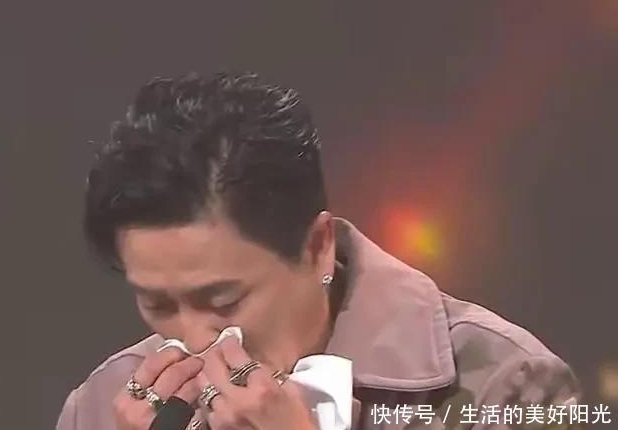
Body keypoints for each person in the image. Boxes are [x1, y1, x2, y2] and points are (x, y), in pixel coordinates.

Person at [56, 72, 582, 429]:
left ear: (317, 248)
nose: (194, 341)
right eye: (158, 304)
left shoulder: (506, 385)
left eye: (223, 301)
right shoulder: (104, 405)